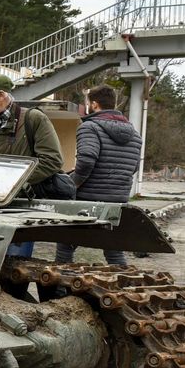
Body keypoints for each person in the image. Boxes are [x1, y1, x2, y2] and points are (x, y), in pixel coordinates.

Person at [0, 73, 62, 260]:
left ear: (2, 95)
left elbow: (51, 160)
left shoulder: (33, 119)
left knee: (14, 268)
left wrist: (12, 184)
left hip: (19, 210)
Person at [55, 84, 142, 266]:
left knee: (65, 247)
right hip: (118, 201)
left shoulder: (90, 127)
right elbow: (133, 167)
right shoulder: (134, 134)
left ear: (94, 104)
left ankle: (59, 290)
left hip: (87, 201)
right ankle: (120, 288)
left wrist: (73, 184)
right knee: (113, 250)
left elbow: (86, 160)